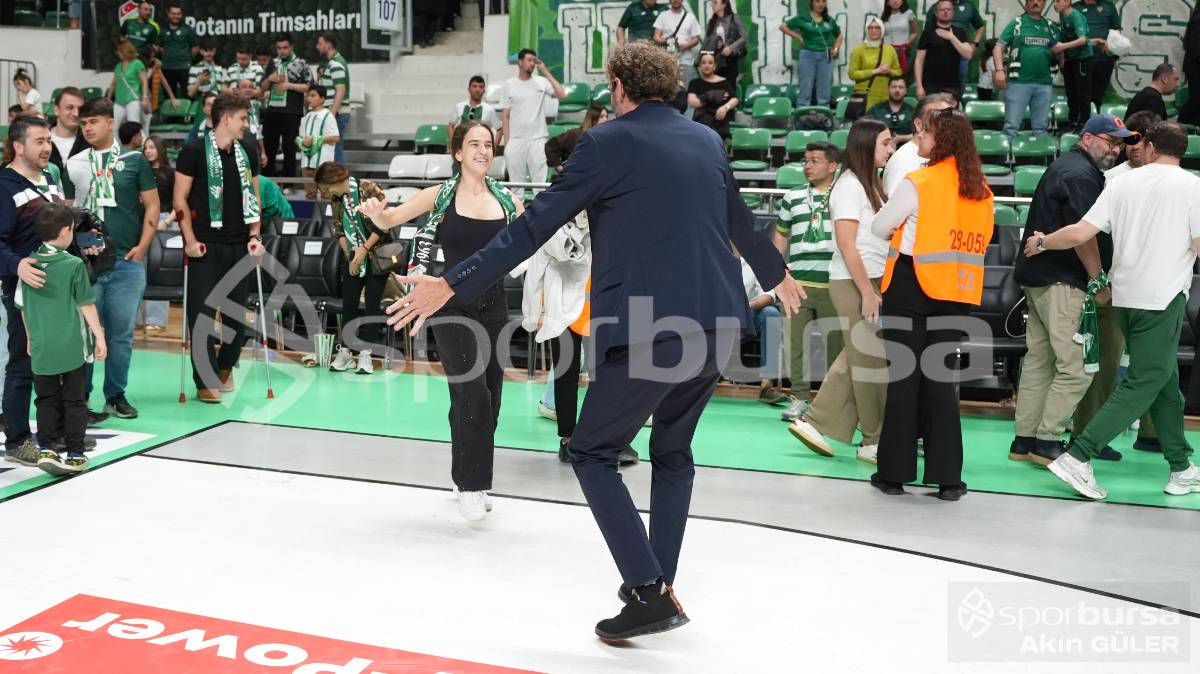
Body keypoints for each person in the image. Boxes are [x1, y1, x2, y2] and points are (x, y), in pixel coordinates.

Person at [378, 42, 802, 641]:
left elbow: (529, 229)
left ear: (620, 88)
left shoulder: (606, 142)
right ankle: (658, 584)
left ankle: (650, 591)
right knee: (673, 453)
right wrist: (777, 274)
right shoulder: (706, 139)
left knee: (593, 452)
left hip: (655, 328)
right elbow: (741, 222)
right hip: (721, 323)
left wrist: (449, 283)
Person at [357, 121, 525, 522]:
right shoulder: (440, 195)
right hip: (447, 303)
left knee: (489, 397)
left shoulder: (507, 201)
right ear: (457, 153)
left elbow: (533, 237)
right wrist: (378, 215)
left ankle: (463, 469)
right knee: (473, 395)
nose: (483, 151)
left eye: (488, 144)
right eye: (474, 144)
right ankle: (472, 484)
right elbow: (391, 219)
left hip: (492, 306)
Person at [1026, 122, 1200, 500]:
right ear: (1182, 151)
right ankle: (1079, 455)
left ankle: (1181, 465)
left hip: (1123, 299)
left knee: (1164, 383)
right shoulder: (1193, 186)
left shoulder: (1120, 182)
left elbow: (1078, 232)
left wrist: (1042, 241)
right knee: (1145, 381)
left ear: (1150, 147)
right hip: (1162, 299)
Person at [869, 107, 994, 500]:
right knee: (941, 383)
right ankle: (948, 479)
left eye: (923, 133)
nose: (917, 139)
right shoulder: (981, 190)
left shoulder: (918, 181)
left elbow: (878, 225)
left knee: (904, 380)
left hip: (910, 287)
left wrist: (903, 225)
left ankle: (893, 473)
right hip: (956, 293)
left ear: (941, 140)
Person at [1009, 114, 1127, 466]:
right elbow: (1083, 234)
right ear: (1087, 138)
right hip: (1064, 282)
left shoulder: (1070, 167)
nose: (1116, 150)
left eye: (1119, 144)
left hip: (1042, 281)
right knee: (1076, 367)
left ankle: (1024, 440)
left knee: (1039, 364)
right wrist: (1098, 280)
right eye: (1110, 141)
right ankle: (1047, 442)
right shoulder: (1079, 174)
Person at [788, 118, 893, 465]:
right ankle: (873, 440)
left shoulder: (871, 183)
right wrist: (866, 291)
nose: (890, 150)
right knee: (869, 362)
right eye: (885, 143)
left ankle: (815, 422)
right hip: (853, 281)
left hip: (870, 280)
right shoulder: (849, 186)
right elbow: (848, 245)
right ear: (866, 145)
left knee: (856, 358)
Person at [0, 116, 92, 467]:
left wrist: (84, 243)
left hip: (64, 290)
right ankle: (19, 438)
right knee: (26, 362)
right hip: (29, 290)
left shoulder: (51, 177)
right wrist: (17, 265)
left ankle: (64, 433)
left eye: (48, 140)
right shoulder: (5, 186)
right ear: (18, 146)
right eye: (38, 141)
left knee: (68, 361)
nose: (46, 147)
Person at [63, 97, 158, 421]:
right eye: (83, 123)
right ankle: (82, 398)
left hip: (125, 261)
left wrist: (144, 245)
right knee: (85, 333)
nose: (88, 127)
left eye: (94, 121)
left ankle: (115, 394)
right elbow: (66, 212)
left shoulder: (134, 160)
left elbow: (153, 205)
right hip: (86, 264)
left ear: (108, 122)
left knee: (120, 334)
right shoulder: (74, 163)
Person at [1075, 111, 1163, 456]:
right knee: (1105, 363)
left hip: (1155, 285)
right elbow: (1090, 235)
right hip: (1114, 283)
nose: (1132, 146)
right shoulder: (1109, 179)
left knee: (1155, 364)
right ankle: (1088, 434)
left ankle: (1152, 432)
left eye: (1139, 139)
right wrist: (1098, 281)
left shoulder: (1173, 180)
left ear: (1154, 144)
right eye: (1128, 139)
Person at [174, 92, 265, 403]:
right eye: (243, 119)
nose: (246, 125)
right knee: (201, 316)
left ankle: (225, 366)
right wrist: (188, 239)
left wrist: (256, 234)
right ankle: (204, 378)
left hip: (239, 244)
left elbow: (255, 198)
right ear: (226, 118)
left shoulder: (248, 150)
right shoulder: (193, 150)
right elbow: (179, 200)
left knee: (237, 318)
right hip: (204, 244)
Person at [19, 203, 107, 476]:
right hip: (71, 345)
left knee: (45, 398)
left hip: (42, 344)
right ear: (67, 231)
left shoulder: (28, 265)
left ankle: (46, 448)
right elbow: (86, 305)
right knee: (74, 400)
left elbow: (22, 307)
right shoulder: (73, 264)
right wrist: (100, 336)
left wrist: (30, 338)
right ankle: (75, 452)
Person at [777, 140, 843, 423]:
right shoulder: (791, 197)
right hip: (798, 283)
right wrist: (778, 274)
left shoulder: (843, 194)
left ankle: (831, 406)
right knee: (795, 346)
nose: (807, 166)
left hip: (834, 281)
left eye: (815, 160)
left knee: (836, 348)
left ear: (832, 166)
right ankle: (800, 398)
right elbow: (781, 236)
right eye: (805, 160)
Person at [314, 162, 387, 375]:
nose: (325, 192)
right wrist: (351, 257)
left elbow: (384, 224)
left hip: (376, 256)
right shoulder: (337, 199)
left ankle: (365, 354)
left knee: (372, 305)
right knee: (349, 305)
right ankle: (345, 352)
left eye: (326, 187)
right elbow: (338, 230)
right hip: (354, 257)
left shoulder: (368, 188)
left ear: (336, 180)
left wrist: (362, 251)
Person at [499, 49, 566, 200]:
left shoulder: (541, 82)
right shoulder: (509, 85)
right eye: (529, 60)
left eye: (534, 60)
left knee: (540, 188)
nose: (532, 63)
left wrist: (545, 71)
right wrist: (508, 143)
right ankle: (517, 221)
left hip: (538, 140)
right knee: (516, 190)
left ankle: (540, 222)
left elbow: (562, 94)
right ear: (520, 62)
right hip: (516, 141)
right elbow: (505, 115)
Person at [994, 0, 1058, 139]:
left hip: (1044, 83)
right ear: (1026, 4)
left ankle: (1040, 160)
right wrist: (999, 71)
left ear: (1044, 3)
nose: (1035, 2)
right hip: (1018, 82)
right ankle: (1005, 160)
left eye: (1039, 0)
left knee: (1041, 129)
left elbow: (1061, 48)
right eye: (1031, 0)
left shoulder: (1051, 26)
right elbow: (998, 47)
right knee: (1011, 128)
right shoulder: (1017, 24)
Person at [882, 93, 957, 197]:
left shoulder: (944, 155)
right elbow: (897, 208)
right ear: (918, 124)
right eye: (937, 118)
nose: (945, 123)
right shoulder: (903, 162)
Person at [260, 33, 314, 178]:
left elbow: (310, 87)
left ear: (291, 47)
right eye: (279, 48)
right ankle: (269, 181)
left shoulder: (301, 63)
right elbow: (262, 87)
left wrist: (289, 86)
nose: (281, 51)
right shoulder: (272, 63)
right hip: (272, 111)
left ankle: (289, 183)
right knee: (269, 148)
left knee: (289, 149)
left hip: (291, 111)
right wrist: (270, 79)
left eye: (285, 48)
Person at [140, 135, 175, 334]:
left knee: (159, 272)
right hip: (143, 220)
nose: (148, 151)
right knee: (140, 270)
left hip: (164, 222)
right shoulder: (140, 171)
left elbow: (179, 202)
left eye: (152, 147)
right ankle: (137, 318)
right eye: (146, 148)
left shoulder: (170, 173)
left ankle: (156, 319)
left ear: (160, 149)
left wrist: (166, 222)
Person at [781, 0, 842, 108]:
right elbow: (783, 26)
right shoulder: (804, 17)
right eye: (817, 1)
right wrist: (798, 37)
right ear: (812, 3)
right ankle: (801, 116)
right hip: (807, 55)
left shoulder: (829, 19)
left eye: (823, 1)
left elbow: (840, 35)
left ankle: (824, 116)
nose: (820, 4)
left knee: (824, 88)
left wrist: (836, 49)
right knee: (805, 87)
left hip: (825, 55)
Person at [741, 255, 785, 404]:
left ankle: (766, 386)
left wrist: (746, 306)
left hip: (748, 313)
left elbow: (769, 295)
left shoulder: (756, 257)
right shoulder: (714, 254)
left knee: (771, 315)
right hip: (719, 313)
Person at [914, 0, 972, 100]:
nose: (945, 11)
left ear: (953, 12)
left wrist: (951, 37)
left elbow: (968, 55)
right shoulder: (928, 33)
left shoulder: (959, 32)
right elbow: (919, 61)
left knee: (949, 115)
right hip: (930, 86)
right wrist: (919, 86)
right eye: (942, 9)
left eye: (948, 9)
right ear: (936, 13)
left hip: (952, 87)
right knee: (931, 115)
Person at [1073, 0, 1122, 118]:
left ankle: (1095, 125)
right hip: (1081, 60)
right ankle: (1079, 124)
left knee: (1097, 96)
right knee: (1080, 96)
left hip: (1103, 60)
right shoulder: (1075, 8)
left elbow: (1116, 30)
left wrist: (1112, 48)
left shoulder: (1109, 6)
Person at [922, 0, 985, 88]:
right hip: (939, 53)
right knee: (937, 85)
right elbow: (927, 31)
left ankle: (957, 100)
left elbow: (980, 27)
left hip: (961, 52)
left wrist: (975, 44)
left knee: (959, 85)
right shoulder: (937, 7)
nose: (946, 11)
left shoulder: (969, 6)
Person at [848, 17, 901, 113]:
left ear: (882, 30)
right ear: (866, 30)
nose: (873, 30)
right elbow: (852, 74)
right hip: (865, 95)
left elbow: (898, 72)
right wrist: (875, 71)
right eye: (870, 28)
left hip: (885, 96)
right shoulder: (858, 50)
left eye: (877, 28)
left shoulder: (889, 49)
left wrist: (889, 71)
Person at [1056, 0, 1094, 133]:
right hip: (1070, 58)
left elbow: (1082, 39)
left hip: (1083, 58)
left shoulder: (1075, 15)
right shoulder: (1062, 14)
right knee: (1070, 92)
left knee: (1082, 93)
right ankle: (1072, 122)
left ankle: (1084, 125)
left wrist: (1062, 47)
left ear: (1067, 1)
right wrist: (1063, 58)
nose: (1055, 4)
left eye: (1058, 1)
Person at [315, 33, 353, 164]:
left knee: (335, 153)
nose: (317, 46)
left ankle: (340, 182)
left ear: (329, 44)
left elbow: (340, 90)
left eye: (320, 43)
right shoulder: (332, 63)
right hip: (335, 113)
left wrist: (331, 114)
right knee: (332, 152)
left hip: (337, 114)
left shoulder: (336, 63)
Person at [686, 52, 739, 140]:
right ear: (700, 65)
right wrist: (713, 95)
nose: (707, 65)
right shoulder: (694, 83)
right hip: (701, 120)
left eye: (710, 63)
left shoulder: (724, 82)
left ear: (715, 66)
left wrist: (725, 107)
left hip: (720, 120)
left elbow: (735, 99)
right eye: (704, 63)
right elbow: (693, 102)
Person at [298, 85, 338, 199]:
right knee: (310, 195)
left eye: (313, 95)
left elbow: (335, 137)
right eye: (308, 95)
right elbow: (301, 135)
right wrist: (301, 141)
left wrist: (316, 139)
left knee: (327, 196)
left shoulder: (328, 115)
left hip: (322, 163)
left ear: (322, 99)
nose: (309, 98)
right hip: (307, 162)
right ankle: (312, 217)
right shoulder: (307, 116)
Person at [544, 105, 608, 178]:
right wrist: (559, 168)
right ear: (592, 118)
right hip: (573, 179)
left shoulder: (606, 139)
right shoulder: (574, 135)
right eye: (602, 116)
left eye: (606, 116)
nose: (606, 119)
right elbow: (550, 147)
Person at [653, 0, 703, 86]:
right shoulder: (663, 16)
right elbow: (656, 37)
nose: (675, 0)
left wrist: (685, 46)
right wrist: (668, 41)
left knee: (687, 88)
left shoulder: (690, 17)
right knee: (668, 88)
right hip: (667, 60)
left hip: (686, 59)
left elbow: (696, 38)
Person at [157, 3, 197, 100]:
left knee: (188, 96)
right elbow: (161, 48)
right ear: (168, 14)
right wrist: (168, 56)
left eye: (178, 14)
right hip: (167, 67)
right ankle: (172, 116)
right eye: (173, 13)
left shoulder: (188, 29)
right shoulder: (162, 30)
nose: (176, 16)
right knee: (169, 98)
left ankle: (189, 116)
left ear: (182, 14)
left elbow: (195, 47)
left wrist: (186, 59)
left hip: (184, 67)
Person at [702, 0, 747, 83]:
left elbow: (744, 37)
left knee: (729, 91)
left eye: (715, 2)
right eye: (712, 3)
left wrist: (731, 48)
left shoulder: (734, 18)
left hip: (730, 62)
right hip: (715, 62)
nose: (712, 5)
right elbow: (706, 42)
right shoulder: (712, 22)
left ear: (724, 5)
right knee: (715, 92)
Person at [110, 39, 150, 127]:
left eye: (119, 51)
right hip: (119, 101)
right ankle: (117, 141)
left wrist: (144, 98)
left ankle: (143, 141)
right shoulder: (118, 66)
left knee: (134, 125)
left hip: (132, 99)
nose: (118, 54)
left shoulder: (137, 63)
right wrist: (108, 98)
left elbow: (144, 81)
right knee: (113, 127)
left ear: (124, 52)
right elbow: (113, 84)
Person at [48, 88, 87, 178]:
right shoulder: (39, 141)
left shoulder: (90, 143)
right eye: (69, 108)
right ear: (56, 110)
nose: (76, 114)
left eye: (80, 109)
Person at [449, 75, 501, 142]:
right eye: (474, 86)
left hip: (480, 149)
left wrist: (493, 148)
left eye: (481, 87)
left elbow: (500, 129)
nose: (477, 89)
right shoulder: (459, 106)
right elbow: (450, 126)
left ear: (484, 91)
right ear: (469, 89)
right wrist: (453, 144)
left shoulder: (489, 109)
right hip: (463, 147)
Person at [868, 77, 916, 144]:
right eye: (894, 87)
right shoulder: (876, 109)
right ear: (888, 90)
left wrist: (900, 138)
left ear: (905, 91)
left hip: (905, 149)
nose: (897, 90)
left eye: (900, 87)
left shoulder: (912, 111)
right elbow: (865, 131)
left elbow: (919, 134)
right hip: (879, 147)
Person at [882, 0, 918, 76]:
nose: (895, 1)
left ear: (902, 2)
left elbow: (915, 32)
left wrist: (907, 42)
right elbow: (881, 36)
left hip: (904, 52)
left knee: (903, 77)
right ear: (887, 2)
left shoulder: (909, 13)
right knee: (888, 76)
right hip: (888, 52)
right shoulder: (883, 17)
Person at [1182, 6, 1200, 126]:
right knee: (1197, 101)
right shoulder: (1197, 20)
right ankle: (1180, 125)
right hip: (1196, 69)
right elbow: (1196, 48)